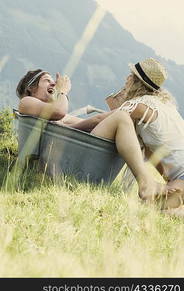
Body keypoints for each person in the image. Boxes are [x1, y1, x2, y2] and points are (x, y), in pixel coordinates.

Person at [16, 60, 183, 214]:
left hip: (78, 158)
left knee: (164, 205)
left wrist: (72, 126)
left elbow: (89, 121)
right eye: (47, 80)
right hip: (75, 161)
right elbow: (62, 112)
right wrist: (63, 92)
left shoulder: (139, 105)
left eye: (130, 76)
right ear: (31, 88)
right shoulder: (27, 102)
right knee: (122, 117)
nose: (53, 82)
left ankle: (158, 199)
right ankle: (148, 186)